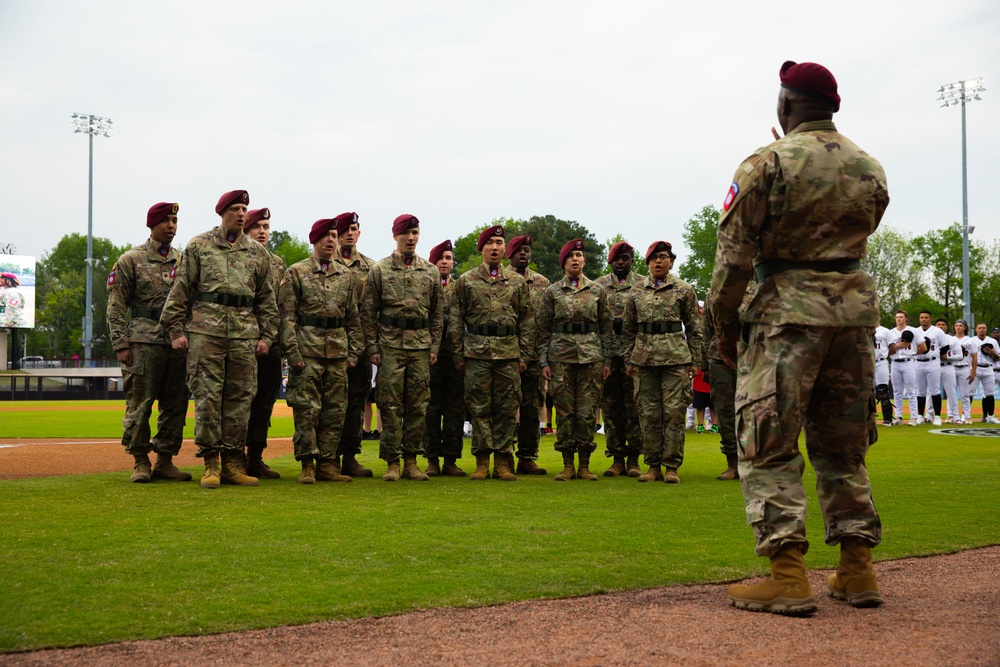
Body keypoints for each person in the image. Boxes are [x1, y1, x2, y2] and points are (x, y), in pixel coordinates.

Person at [710, 61, 889, 615]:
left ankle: (788, 576)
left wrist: (723, 326)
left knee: (768, 443)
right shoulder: (870, 165)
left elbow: (733, 257)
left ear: (785, 104)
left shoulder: (766, 163)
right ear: (832, 106)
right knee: (844, 447)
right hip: (854, 317)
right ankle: (857, 572)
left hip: (785, 316)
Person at [160, 189, 278, 489]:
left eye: (244, 209)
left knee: (240, 401)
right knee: (208, 399)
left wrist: (267, 335)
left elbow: (267, 299)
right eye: (236, 209)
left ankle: (233, 464)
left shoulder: (257, 253)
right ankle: (210, 463)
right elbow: (182, 289)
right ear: (222, 212)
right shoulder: (199, 246)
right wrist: (174, 329)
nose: (241, 214)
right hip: (206, 334)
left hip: (244, 335)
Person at [106, 202, 191, 483]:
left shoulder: (183, 259)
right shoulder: (131, 259)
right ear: (152, 225)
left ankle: (164, 460)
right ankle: (140, 460)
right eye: (166, 220)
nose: (171, 226)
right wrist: (121, 344)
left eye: (175, 220)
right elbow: (116, 306)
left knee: (176, 404)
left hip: (177, 344)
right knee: (140, 404)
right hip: (142, 343)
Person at [279, 218, 363, 484]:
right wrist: (293, 354)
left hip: (337, 355)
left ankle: (327, 463)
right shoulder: (296, 272)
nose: (331, 240)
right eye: (326, 236)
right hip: (307, 353)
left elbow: (353, 318)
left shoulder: (346, 275)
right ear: (314, 240)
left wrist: (353, 353)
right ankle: (307, 464)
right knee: (307, 411)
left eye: (334, 236)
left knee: (334, 411)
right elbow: (287, 318)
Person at [359, 214, 444, 481]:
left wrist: (434, 347)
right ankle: (392, 462)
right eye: (406, 233)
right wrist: (372, 346)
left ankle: (411, 461)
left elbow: (438, 314)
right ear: (395, 236)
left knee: (418, 406)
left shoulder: (430, 270)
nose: (411, 238)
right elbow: (367, 311)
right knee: (389, 405)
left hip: (419, 346)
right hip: (390, 346)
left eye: (415, 232)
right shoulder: (380, 270)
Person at [451, 226, 535, 481]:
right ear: (482, 248)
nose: (495, 247)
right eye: (490, 243)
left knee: (507, 409)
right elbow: (456, 320)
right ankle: (481, 461)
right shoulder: (466, 281)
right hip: (476, 354)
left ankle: (503, 461)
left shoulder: (517, 282)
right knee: (479, 409)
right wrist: (458, 355)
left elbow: (527, 321)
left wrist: (525, 356)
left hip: (508, 354)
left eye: (499, 242)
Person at [622, 241, 702, 484]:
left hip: (676, 359)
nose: (658, 261)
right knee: (649, 414)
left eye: (663, 257)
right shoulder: (636, 291)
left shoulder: (684, 290)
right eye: (654, 258)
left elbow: (694, 328)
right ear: (647, 263)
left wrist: (696, 360)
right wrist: (628, 359)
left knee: (674, 414)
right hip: (644, 361)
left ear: (671, 261)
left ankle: (671, 467)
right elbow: (628, 329)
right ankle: (653, 465)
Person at [536, 239, 613, 482]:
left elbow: (606, 327)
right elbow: (543, 329)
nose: (575, 259)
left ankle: (585, 465)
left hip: (591, 358)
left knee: (588, 411)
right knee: (565, 412)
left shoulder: (598, 291)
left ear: (584, 260)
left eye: (579, 255)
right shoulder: (552, 291)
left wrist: (608, 360)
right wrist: (543, 362)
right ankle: (568, 464)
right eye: (571, 256)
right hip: (561, 358)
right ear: (564, 262)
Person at [594, 241, 644, 477]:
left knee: (634, 408)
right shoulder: (599, 286)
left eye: (625, 258)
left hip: (635, 355)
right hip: (609, 356)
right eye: (617, 259)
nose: (621, 262)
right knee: (611, 409)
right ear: (610, 261)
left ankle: (634, 459)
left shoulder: (643, 285)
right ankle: (616, 458)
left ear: (632, 260)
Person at [243, 207, 286, 478]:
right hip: (240, 339)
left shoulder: (278, 263)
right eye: (257, 226)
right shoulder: (234, 258)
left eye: (266, 226)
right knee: (237, 402)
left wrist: (272, 339)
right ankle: (233, 456)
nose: (262, 231)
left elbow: (278, 306)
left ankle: (255, 457)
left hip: (270, 343)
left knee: (264, 403)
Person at [335, 212, 376, 477]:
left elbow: (373, 311)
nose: (350, 233)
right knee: (329, 404)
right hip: (328, 344)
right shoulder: (325, 262)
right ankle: (326, 458)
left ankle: (350, 457)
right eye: (344, 229)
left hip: (359, 346)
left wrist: (371, 347)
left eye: (354, 228)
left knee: (355, 403)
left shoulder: (371, 268)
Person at [506, 234, 551, 474]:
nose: (523, 253)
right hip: (506, 353)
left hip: (534, 356)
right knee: (505, 407)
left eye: (526, 250)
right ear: (509, 254)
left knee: (532, 408)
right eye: (518, 250)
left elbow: (546, 322)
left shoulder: (543, 283)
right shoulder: (502, 279)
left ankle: (527, 457)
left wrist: (545, 355)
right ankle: (504, 456)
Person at [703, 281, 757, 479]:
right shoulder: (714, 290)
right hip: (718, 357)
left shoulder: (760, 288)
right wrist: (703, 364)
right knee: (725, 411)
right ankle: (732, 463)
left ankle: (752, 462)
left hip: (751, 356)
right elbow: (706, 328)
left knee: (751, 410)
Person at [424, 239, 467, 477]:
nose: (445, 262)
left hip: (455, 355)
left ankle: (451, 459)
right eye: (440, 258)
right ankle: (432, 459)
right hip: (431, 354)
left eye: (449, 258)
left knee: (455, 410)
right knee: (431, 409)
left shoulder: (460, 287)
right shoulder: (426, 285)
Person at [886, 310, 927, 426]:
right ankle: (898, 416)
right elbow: (887, 351)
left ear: (906, 319)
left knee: (911, 390)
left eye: (901, 317)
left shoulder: (913, 330)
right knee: (897, 391)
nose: (899, 319)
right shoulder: (890, 333)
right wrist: (899, 346)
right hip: (895, 362)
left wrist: (912, 353)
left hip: (909, 361)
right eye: (897, 317)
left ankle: (913, 417)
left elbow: (923, 347)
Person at [913, 310, 948, 425]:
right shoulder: (915, 331)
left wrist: (938, 354)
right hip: (918, 361)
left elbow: (945, 346)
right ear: (919, 319)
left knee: (935, 390)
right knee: (920, 391)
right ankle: (920, 416)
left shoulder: (937, 331)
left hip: (933, 362)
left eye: (926, 317)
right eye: (921, 317)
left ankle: (937, 416)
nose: (924, 319)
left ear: (930, 319)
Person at [934, 318, 964, 423]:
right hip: (934, 365)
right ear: (935, 326)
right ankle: (928, 416)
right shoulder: (931, 337)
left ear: (946, 327)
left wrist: (948, 358)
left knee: (951, 392)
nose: (941, 326)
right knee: (931, 392)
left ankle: (956, 416)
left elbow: (960, 356)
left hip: (948, 366)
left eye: (943, 324)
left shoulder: (952, 339)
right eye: (938, 324)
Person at [971, 323, 998, 423]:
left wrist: (993, 353)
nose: (982, 330)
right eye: (979, 328)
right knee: (970, 392)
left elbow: (998, 357)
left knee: (990, 393)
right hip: (975, 368)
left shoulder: (993, 341)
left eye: (984, 328)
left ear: (986, 330)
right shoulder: (972, 340)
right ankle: (966, 416)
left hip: (988, 367)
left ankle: (991, 417)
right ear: (976, 330)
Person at [953, 319, 978, 424]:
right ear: (954, 327)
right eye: (956, 325)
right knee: (952, 394)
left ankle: (967, 416)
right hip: (952, 367)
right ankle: (952, 415)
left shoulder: (970, 340)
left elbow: (975, 357)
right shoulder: (950, 339)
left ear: (964, 327)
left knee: (965, 394)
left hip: (965, 367)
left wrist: (973, 372)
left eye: (960, 325)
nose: (958, 327)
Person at [873, 323, 893, 427]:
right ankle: (870, 418)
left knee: (883, 390)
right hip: (867, 361)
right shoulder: (863, 329)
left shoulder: (885, 331)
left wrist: (884, 354)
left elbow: (892, 347)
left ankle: (888, 419)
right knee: (867, 391)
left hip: (881, 362)